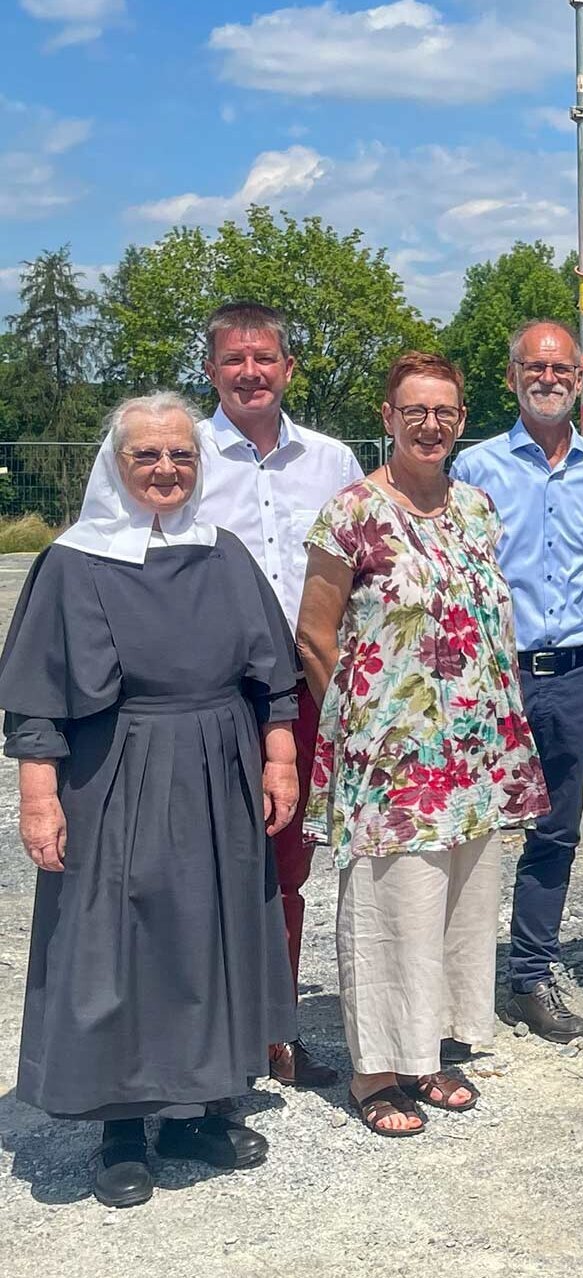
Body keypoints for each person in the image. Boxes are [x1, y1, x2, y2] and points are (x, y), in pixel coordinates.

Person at [0, 393, 300, 1208]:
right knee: (118, 942)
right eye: (147, 456)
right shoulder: (73, 559)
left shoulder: (222, 552)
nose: (166, 470)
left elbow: (272, 672)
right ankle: (121, 1125)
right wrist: (38, 799)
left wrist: (279, 758)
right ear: (117, 463)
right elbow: (34, 699)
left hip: (217, 766)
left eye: (182, 456)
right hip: (114, 772)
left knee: (210, 936)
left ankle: (198, 1110)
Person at [297, 352, 550, 1137]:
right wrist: (366, 725)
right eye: (415, 412)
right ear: (387, 418)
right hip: (393, 760)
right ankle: (376, 1069)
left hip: (472, 753)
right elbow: (313, 634)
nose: (430, 425)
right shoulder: (352, 514)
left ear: (461, 420)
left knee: (460, 905)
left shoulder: (477, 509)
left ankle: (430, 1052)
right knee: (389, 906)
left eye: (443, 412)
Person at [450, 320, 583, 1043]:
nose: (548, 378)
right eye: (534, 367)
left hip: (576, 674)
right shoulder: (476, 469)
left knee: (554, 830)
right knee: (468, 827)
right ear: (512, 376)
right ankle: (455, 981)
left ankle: (531, 973)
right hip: (495, 672)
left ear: (580, 375)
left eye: (561, 368)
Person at [196, 300, 364, 1089]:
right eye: (235, 359)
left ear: (288, 368)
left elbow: (365, 569)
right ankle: (200, 1040)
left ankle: (275, 1028)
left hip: (297, 693)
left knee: (285, 866)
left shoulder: (331, 462)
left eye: (264, 358)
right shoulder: (178, 453)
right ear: (212, 370)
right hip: (201, 698)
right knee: (198, 866)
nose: (251, 372)